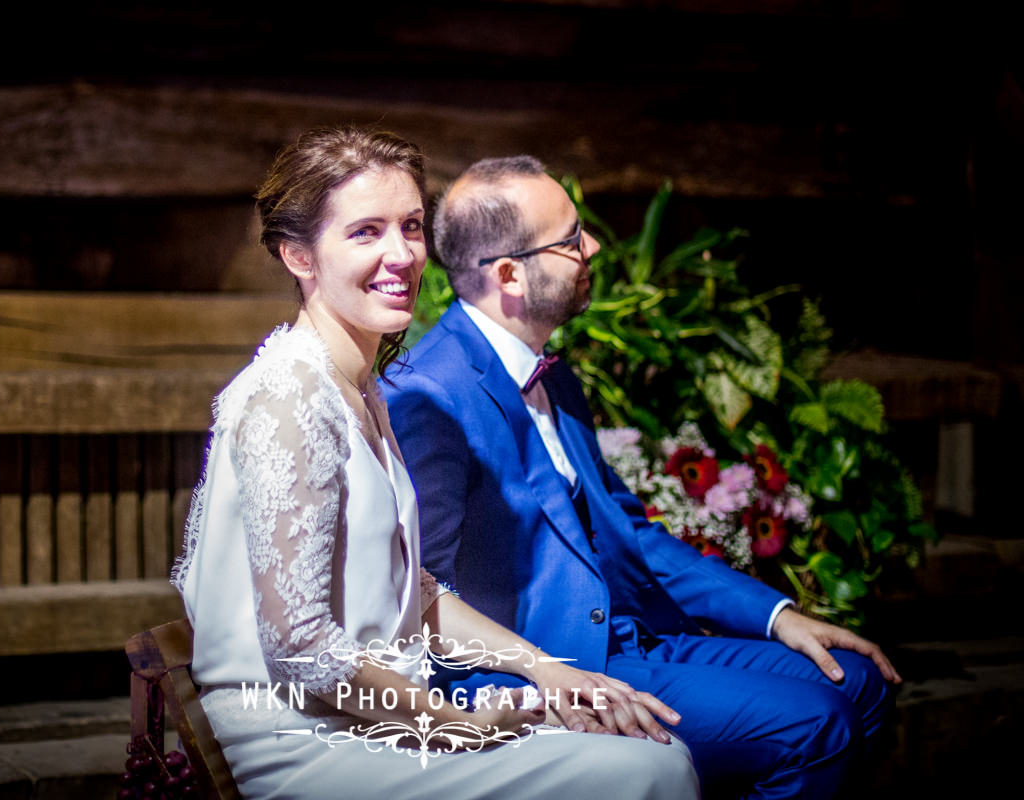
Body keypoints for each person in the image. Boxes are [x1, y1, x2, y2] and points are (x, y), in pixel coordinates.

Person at [171, 129, 699, 800]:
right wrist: (459, 723)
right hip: (311, 745)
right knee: (655, 769)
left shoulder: (358, 384)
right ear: (299, 254)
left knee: (645, 743)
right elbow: (303, 650)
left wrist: (546, 671)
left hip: (382, 717)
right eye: (366, 232)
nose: (402, 255)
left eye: (412, 226)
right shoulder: (288, 398)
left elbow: (410, 593)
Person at [382, 155, 901, 800]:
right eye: (571, 239)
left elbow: (629, 530)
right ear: (510, 274)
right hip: (551, 671)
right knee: (817, 724)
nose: (592, 246)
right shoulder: (428, 394)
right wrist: (537, 685)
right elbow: (419, 593)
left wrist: (775, 615)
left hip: (634, 639)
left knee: (858, 681)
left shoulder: (554, 374)